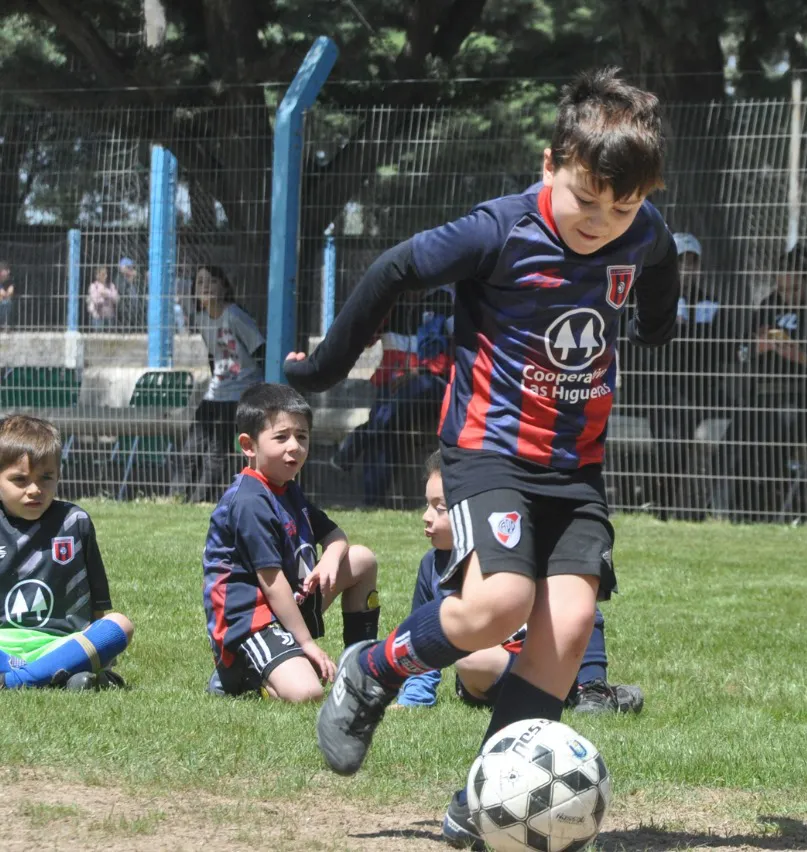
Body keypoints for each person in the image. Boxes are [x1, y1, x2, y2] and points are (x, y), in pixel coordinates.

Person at [282, 68, 678, 846]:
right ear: (550, 164)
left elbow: (658, 258)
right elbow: (395, 268)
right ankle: (377, 668)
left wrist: (658, 320)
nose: (603, 220)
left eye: (621, 206)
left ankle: (487, 798)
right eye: (587, 198)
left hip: (577, 468)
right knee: (498, 606)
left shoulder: (644, 229)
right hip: (488, 452)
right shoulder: (498, 230)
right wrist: (325, 370)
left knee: (565, 632)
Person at [397, 451, 643, 713]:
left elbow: (583, 614)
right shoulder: (431, 566)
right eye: (427, 504)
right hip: (489, 667)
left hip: (547, 659)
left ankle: (593, 691)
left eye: (440, 508)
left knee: (576, 599)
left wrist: (592, 676)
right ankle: (568, 695)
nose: (426, 515)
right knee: (472, 661)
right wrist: (415, 698)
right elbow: (422, 639)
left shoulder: (515, 552)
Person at [202, 383, 381, 703]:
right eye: (281, 437)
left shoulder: (286, 489)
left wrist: (329, 560)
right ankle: (239, 675)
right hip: (251, 624)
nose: (294, 446)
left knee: (361, 559)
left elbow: (335, 535)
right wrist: (309, 645)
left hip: (287, 608)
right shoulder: (250, 501)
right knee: (308, 692)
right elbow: (272, 585)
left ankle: (359, 669)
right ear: (249, 445)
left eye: (302, 436)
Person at [715, 243, 807, 521]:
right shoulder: (768, 306)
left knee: (772, 435)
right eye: (782, 290)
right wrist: (756, 348)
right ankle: (725, 514)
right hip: (765, 394)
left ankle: (763, 511)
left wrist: (803, 358)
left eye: (794, 290)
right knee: (732, 438)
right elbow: (740, 352)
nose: (788, 297)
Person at [0, 415, 134, 690]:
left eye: (45, 478)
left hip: (59, 644)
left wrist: (101, 653)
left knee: (120, 624)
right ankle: (60, 678)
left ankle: (16, 681)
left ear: (58, 474)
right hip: (3, 646)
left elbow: (98, 607)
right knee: (79, 674)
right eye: (20, 480)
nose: (34, 489)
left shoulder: (74, 522)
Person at [635, 232, 733, 519]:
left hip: (701, 389)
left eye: (692, 263)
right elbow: (647, 347)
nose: (686, 270)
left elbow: (722, 349)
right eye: (680, 262)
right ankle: (660, 506)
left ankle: (706, 510)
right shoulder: (650, 298)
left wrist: (682, 333)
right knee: (672, 430)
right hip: (660, 388)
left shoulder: (711, 304)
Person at [329, 288, 454, 506]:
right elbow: (365, 338)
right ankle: (372, 502)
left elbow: (457, 345)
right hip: (393, 384)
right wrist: (382, 302)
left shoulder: (444, 299)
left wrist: (419, 370)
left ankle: (359, 438)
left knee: (398, 403)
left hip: (432, 380)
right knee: (385, 432)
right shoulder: (391, 300)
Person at [172, 265, 265, 503]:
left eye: (212, 281)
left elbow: (260, 350)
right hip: (216, 392)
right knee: (190, 449)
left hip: (240, 393)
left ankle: (197, 500)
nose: (206, 287)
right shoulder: (201, 319)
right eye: (201, 282)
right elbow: (214, 357)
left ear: (223, 287)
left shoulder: (234, 315)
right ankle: (176, 497)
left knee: (216, 451)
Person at [114, 257, 145, 329]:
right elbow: (121, 290)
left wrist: (136, 278)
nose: (131, 269)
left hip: (136, 308)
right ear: (122, 268)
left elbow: (141, 288)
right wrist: (129, 280)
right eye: (128, 267)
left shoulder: (134, 279)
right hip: (125, 309)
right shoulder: (119, 278)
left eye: (131, 267)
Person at [0, 260, 15, 330]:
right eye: (6, 270)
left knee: (6, 303)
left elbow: (10, 293)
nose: (8, 272)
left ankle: (4, 324)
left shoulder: (9, 282)